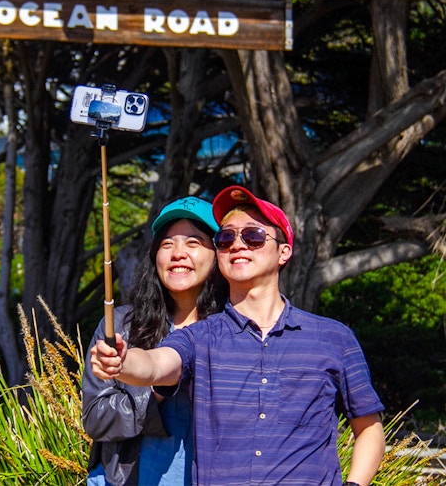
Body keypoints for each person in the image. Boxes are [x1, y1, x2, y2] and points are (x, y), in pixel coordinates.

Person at [91, 185, 386, 486]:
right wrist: (122, 362)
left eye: (254, 237)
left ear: (284, 251)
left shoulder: (333, 337)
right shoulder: (199, 336)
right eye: (226, 238)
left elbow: (369, 427)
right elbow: (156, 364)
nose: (238, 245)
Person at [82, 196, 228, 486]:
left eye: (194, 242)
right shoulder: (122, 325)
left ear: (217, 255)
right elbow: (96, 419)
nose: (178, 253)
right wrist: (158, 387)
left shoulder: (233, 330)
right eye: (167, 244)